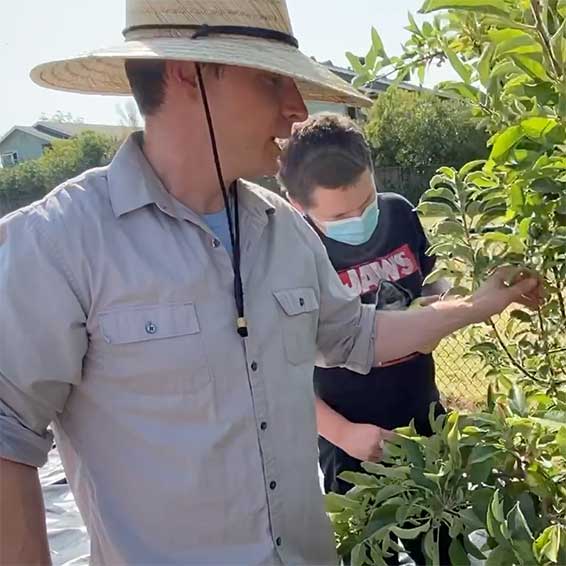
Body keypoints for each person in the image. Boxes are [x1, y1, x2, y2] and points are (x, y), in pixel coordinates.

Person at [0, 1, 542, 565]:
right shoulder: (60, 243)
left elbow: (356, 334)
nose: (296, 109)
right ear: (187, 74)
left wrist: (477, 306)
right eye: (270, 80)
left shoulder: (282, 230)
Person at [278, 113, 453, 564]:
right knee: (370, 554)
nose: (359, 220)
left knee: (443, 546)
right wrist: (345, 435)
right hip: (348, 441)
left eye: (366, 202)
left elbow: (435, 280)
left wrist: (436, 311)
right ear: (299, 207)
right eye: (339, 216)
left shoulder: (398, 213)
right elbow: (279, 373)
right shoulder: (288, 252)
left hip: (422, 420)